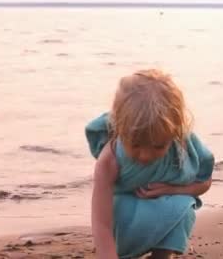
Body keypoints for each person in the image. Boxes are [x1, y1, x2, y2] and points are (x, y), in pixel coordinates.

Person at [86, 69, 214, 259]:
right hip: (123, 217)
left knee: (184, 206)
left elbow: (204, 182)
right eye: (135, 145)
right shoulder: (110, 159)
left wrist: (171, 190)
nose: (145, 156)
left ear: (175, 132)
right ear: (119, 126)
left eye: (158, 146)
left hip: (164, 207)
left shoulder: (183, 144)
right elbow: (101, 222)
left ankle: (162, 256)